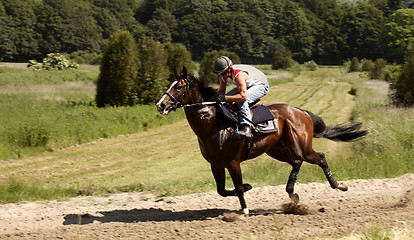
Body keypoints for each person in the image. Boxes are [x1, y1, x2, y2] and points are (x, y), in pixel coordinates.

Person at [214, 56, 269, 137]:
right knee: (226, 98)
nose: (222, 76)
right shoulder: (223, 76)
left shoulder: (239, 75)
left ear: (229, 69)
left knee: (242, 101)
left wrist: (225, 98)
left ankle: (246, 127)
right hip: (247, 85)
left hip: (261, 85)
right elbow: (221, 93)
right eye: (219, 74)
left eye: (223, 73)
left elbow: (243, 97)